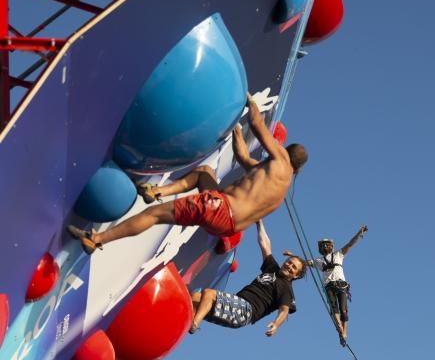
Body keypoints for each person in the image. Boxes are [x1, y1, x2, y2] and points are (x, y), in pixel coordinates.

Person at [67, 94, 308, 254]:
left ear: (288, 155)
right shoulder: (277, 185)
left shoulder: (281, 159)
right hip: (225, 226)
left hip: (220, 208)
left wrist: (249, 102)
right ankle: (157, 191)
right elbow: (244, 157)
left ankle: (97, 240)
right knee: (203, 174)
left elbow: (257, 125)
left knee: (154, 215)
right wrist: (236, 129)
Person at [190, 220, 308, 336]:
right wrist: (259, 223)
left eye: (294, 267)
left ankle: (194, 324)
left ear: (296, 275)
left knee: (209, 294)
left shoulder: (286, 288)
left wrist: (276, 324)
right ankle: (188, 320)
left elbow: (284, 310)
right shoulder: (272, 269)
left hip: (245, 311)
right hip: (235, 307)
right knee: (195, 298)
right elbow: (265, 245)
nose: (289, 266)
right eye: (289, 262)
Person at [306, 226, 368, 346]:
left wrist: (358, 234)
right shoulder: (319, 261)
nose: (325, 247)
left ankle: (344, 332)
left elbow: (350, 244)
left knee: (343, 310)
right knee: (334, 309)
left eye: (327, 245)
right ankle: (340, 329)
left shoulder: (339, 254)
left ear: (331, 246)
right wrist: (293, 256)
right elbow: (306, 262)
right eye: (323, 245)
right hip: (329, 286)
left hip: (341, 284)